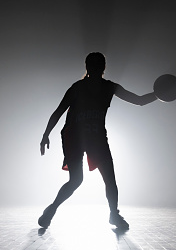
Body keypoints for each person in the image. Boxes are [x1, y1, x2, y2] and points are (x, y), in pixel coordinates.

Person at [38, 52, 157, 229]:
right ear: (88, 67)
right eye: (93, 65)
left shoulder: (109, 87)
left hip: (96, 137)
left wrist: (159, 94)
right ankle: (52, 209)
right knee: (77, 180)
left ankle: (114, 214)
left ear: (102, 68)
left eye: (98, 66)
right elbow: (59, 111)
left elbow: (138, 100)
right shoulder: (77, 88)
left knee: (110, 178)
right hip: (74, 136)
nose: (95, 69)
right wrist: (45, 134)